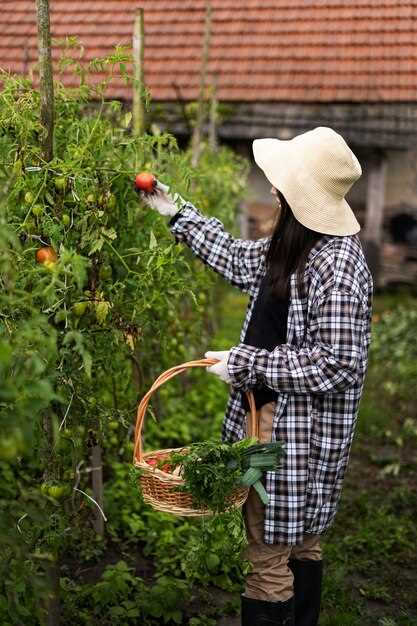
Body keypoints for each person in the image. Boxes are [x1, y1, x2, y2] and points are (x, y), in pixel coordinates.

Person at [139, 126, 373, 626]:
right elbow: (237, 258)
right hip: (274, 420)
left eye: (282, 182)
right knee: (300, 540)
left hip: (292, 434)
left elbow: (338, 361)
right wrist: (178, 213)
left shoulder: (338, 267)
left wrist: (247, 364)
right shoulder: (296, 245)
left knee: (269, 553)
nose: (271, 188)